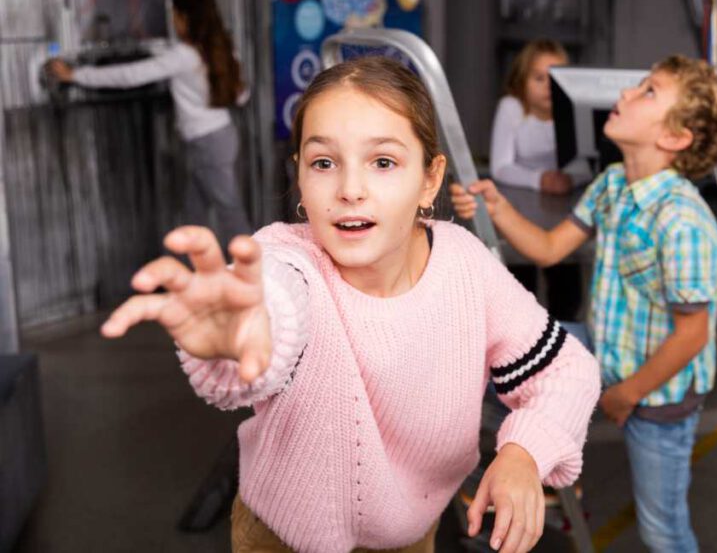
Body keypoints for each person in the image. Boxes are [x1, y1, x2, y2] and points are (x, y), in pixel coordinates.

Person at [99, 55, 600, 553]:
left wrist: (522, 453)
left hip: (412, 536)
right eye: (323, 163)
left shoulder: (466, 265)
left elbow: (567, 370)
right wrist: (243, 332)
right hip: (280, 540)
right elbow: (275, 301)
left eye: (383, 162)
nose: (350, 190)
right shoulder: (289, 259)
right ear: (300, 177)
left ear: (429, 179)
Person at [452, 55, 717, 553]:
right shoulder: (611, 184)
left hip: (657, 396)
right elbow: (547, 248)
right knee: (502, 368)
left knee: (662, 529)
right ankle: (536, 468)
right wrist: (496, 208)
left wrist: (626, 395)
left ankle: (553, 471)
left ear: (674, 138)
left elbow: (692, 334)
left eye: (649, 92)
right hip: (602, 352)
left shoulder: (684, 222)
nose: (628, 93)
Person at [49, 0, 251, 240]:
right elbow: (243, 96)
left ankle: (260, 274)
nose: (172, 21)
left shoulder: (183, 56)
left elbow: (129, 76)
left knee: (230, 214)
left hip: (206, 145)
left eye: (174, 15)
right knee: (194, 216)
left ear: (185, 18)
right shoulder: (221, 49)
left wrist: (75, 75)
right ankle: (183, 272)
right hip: (221, 136)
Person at [491, 40, 590, 321]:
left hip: (563, 207)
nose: (548, 85)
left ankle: (566, 333)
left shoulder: (573, 109)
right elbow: (500, 166)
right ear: (522, 81)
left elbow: (587, 162)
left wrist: (570, 179)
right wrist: (540, 179)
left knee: (566, 280)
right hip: (519, 205)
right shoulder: (511, 108)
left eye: (556, 78)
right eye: (539, 78)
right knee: (521, 282)